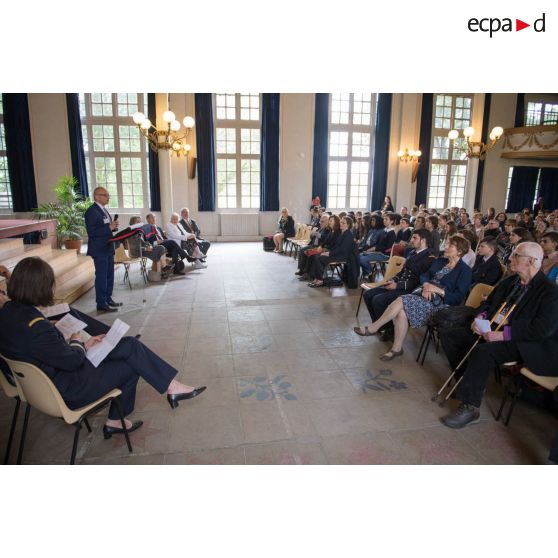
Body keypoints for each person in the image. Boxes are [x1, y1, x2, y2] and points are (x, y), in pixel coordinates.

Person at [0, 258, 207, 437]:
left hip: (44, 384)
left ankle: (169, 388)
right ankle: (127, 413)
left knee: (130, 349)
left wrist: (74, 339)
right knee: (132, 358)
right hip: (68, 389)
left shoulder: (9, 313)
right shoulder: (36, 327)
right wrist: (78, 341)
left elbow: (43, 348)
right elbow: (72, 360)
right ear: (41, 287)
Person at [439, 242, 558, 429]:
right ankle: (467, 383)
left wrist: (503, 335)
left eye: (516, 256)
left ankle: (471, 408)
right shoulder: (511, 281)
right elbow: (489, 303)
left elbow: (542, 329)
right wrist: (480, 318)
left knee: (483, 352)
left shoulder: (550, 291)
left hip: (521, 340)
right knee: (450, 335)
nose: (510, 258)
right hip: (492, 328)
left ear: (532, 261)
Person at [355, 235, 472, 361]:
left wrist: (438, 290)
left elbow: (458, 297)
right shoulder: (440, 261)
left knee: (402, 300)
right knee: (401, 312)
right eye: (447, 244)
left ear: (459, 251)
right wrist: (427, 285)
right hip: (424, 295)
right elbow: (424, 276)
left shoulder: (465, 270)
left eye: (450, 245)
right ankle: (396, 349)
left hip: (442, 305)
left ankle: (374, 327)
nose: (446, 247)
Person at [354, 228, 434, 342]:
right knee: (368, 295)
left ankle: (389, 330)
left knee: (378, 300)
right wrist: (393, 280)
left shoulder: (429, 258)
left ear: (423, 240)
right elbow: (402, 271)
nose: (412, 240)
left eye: (415, 238)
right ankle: (382, 327)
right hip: (399, 284)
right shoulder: (412, 252)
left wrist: (397, 286)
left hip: (409, 290)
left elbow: (418, 282)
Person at [84, 187, 122, 313]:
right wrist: (109, 227)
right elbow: (92, 232)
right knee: (101, 276)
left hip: (108, 247)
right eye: (105, 195)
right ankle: (101, 303)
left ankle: (108, 298)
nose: (108, 197)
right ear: (96, 196)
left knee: (109, 275)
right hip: (99, 249)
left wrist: (113, 227)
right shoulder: (92, 211)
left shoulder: (103, 210)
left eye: (108, 195)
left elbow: (106, 227)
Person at [307, 216, 355, 288]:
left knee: (320, 258)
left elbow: (342, 250)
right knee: (317, 256)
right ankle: (317, 278)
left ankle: (320, 280)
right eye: (341, 222)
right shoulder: (343, 233)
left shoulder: (348, 234)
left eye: (343, 223)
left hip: (342, 256)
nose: (341, 224)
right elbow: (336, 247)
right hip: (336, 254)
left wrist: (329, 253)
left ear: (348, 225)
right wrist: (328, 252)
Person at [359, 213, 398, 277]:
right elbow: (378, 244)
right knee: (358, 256)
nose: (384, 220)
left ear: (392, 221)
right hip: (378, 252)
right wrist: (372, 249)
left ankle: (370, 272)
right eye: (384, 219)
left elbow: (388, 247)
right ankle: (367, 273)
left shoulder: (392, 233)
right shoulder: (384, 231)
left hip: (384, 254)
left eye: (386, 219)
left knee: (362, 259)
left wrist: (374, 249)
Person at [295, 213, 330, 278]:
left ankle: (307, 273)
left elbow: (326, 239)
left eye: (322, 221)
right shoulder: (320, 228)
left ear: (327, 221)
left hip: (319, 247)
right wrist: (312, 235)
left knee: (309, 253)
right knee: (302, 250)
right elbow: (312, 238)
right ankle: (301, 269)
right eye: (320, 221)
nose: (320, 223)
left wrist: (318, 235)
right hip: (313, 244)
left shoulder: (328, 229)